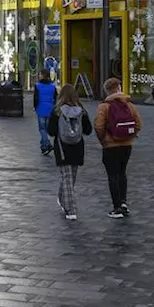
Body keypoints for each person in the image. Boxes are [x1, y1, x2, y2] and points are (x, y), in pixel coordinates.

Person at [94, 77, 141, 219]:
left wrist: (103, 139)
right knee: (122, 173)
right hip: (127, 145)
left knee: (112, 175)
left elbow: (99, 126)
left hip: (110, 146)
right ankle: (124, 202)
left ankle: (117, 207)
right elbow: (138, 124)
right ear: (119, 88)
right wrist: (131, 136)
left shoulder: (104, 106)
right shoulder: (129, 104)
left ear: (107, 90)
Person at [46, 85, 90, 220]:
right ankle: (64, 200)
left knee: (66, 178)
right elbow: (88, 130)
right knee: (71, 178)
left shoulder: (57, 111)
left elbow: (51, 131)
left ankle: (70, 209)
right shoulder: (81, 110)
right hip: (77, 147)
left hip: (62, 147)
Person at [32, 69, 58, 156]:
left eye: (39, 74)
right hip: (50, 109)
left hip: (41, 109)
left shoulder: (38, 86)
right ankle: (43, 147)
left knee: (42, 129)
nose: (38, 76)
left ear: (42, 75)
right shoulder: (52, 87)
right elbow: (55, 98)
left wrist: (35, 107)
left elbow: (36, 98)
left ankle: (47, 144)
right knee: (46, 129)